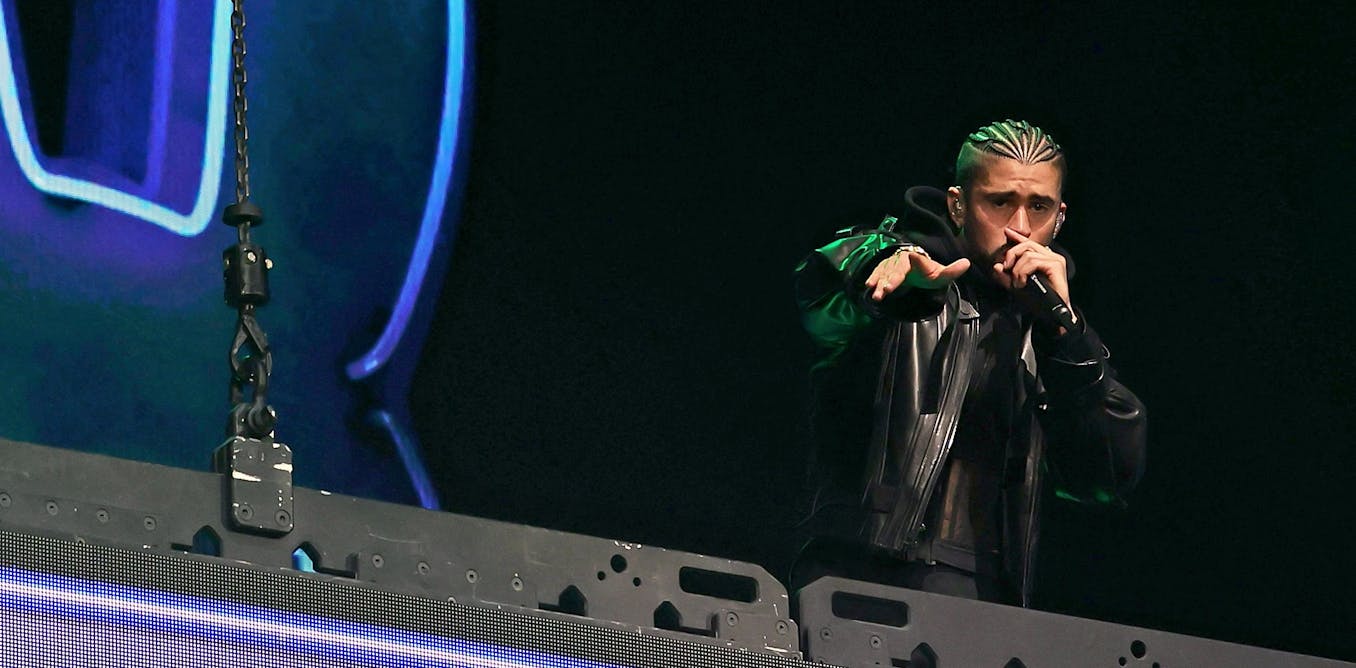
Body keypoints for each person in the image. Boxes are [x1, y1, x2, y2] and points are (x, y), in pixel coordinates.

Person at [792, 119, 1146, 606]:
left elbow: (1107, 478)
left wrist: (1068, 340)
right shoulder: (909, 275)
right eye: (1000, 202)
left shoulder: (1054, 332)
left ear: (1060, 217)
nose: (1020, 227)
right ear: (958, 204)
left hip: (986, 595)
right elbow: (823, 290)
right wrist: (880, 271)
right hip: (860, 570)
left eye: (1038, 207)